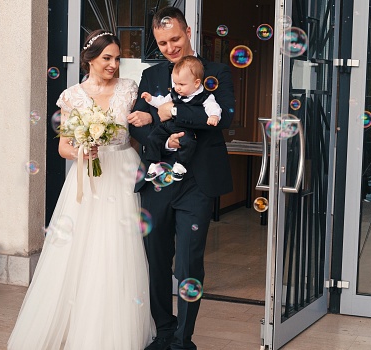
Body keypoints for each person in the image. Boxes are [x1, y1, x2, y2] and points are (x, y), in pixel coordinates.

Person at [8, 30, 155, 349]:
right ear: (90, 59)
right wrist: (83, 149)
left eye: (117, 58)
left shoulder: (129, 88)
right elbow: (63, 147)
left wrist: (146, 120)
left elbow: (139, 130)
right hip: (87, 178)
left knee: (118, 248)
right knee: (81, 248)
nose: (114, 65)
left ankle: (115, 331)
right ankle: (76, 325)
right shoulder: (74, 95)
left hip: (122, 170)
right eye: (107, 58)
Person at [127, 7, 235, 350]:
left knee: (189, 262)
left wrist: (172, 112)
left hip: (197, 183)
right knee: (156, 259)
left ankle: (182, 340)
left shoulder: (217, 72)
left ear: (188, 31)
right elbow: (137, 123)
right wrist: (161, 139)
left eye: (175, 38)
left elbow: (224, 118)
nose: (170, 47)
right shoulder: (152, 75)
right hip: (158, 181)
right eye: (162, 42)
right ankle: (163, 331)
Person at [141, 55, 221, 182]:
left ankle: (180, 165)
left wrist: (214, 116)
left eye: (182, 84)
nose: (177, 88)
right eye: (176, 83)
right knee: (153, 137)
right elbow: (162, 102)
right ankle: (155, 164)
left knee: (188, 143)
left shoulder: (204, 96)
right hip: (167, 126)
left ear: (196, 83)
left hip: (185, 129)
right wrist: (151, 99)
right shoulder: (175, 93)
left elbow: (213, 106)